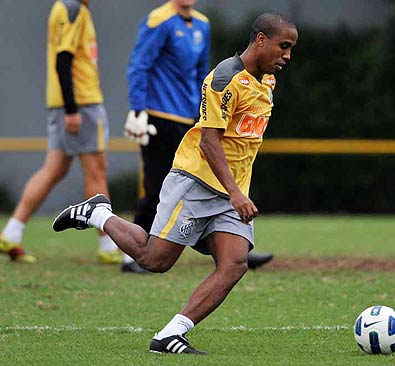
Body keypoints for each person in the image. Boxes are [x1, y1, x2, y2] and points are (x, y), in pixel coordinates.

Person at [53, 12, 298, 354]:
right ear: (260, 40)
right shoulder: (225, 79)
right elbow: (209, 142)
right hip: (195, 182)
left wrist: (233, 193)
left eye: (290, 49)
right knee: (155, 260)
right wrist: (236, 193)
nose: (287, 55)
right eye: (283, 47)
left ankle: (170, 334)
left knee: (235, 263)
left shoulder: (268, 81)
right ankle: (98, 214)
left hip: (227, 194)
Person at [122, 0, 273, 273]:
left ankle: (233, 249)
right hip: (159, 114)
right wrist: (137, 109)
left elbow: (203, 72)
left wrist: (205, 111)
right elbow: (139, 64)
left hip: (191, 115)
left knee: (215, 174)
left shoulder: (202, 23)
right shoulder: (159, 19)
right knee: (157, 183)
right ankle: (134, 253)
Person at [0, 0, 122, 265]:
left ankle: (11, 232)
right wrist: (72, 109)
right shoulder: (72, 8)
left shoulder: (64, 7)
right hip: (81, 103)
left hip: (63, 103)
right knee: (96, 173)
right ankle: (108, 244)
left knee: (54, 169)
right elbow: (63, 58)